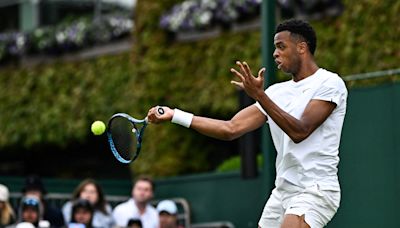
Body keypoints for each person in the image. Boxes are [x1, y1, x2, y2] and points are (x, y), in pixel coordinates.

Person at [147, 19, 347, 228]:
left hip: (315, 190)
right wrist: (175, 115)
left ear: (302, 47)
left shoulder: (329, 83)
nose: (275, 53)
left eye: (281, 46)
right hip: (282, 193)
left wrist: (260, 96)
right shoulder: (276, 92)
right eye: (274, 48)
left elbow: (300, 131)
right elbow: (230, 129)